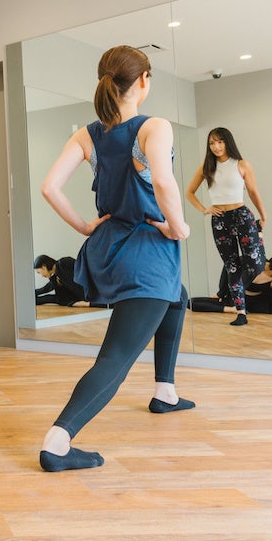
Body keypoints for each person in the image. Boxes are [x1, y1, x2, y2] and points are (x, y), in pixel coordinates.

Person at [37, 45, 194, 473]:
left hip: (107, 249)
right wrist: (179, 226)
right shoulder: (153, 127)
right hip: (147, 250)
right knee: (116, 355)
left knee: (177, 297)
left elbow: (50, 187)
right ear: (143, 80)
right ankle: (58, 441)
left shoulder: (88, 134)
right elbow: (163, 181)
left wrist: (84, 227)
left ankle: (165, 391)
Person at [185, 127, 268, 327]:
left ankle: (259, 238)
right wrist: (205, 209)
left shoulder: (241, 164)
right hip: (220, 219)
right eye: (212, 143)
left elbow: (253, 191)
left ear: (227, 142)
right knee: (232, 267)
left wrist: (263, 215)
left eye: (220, 142)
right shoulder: (207, 167)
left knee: (255, 264)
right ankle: (241, 312)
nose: (216, 146)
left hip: (242, 215)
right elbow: (189, 192)